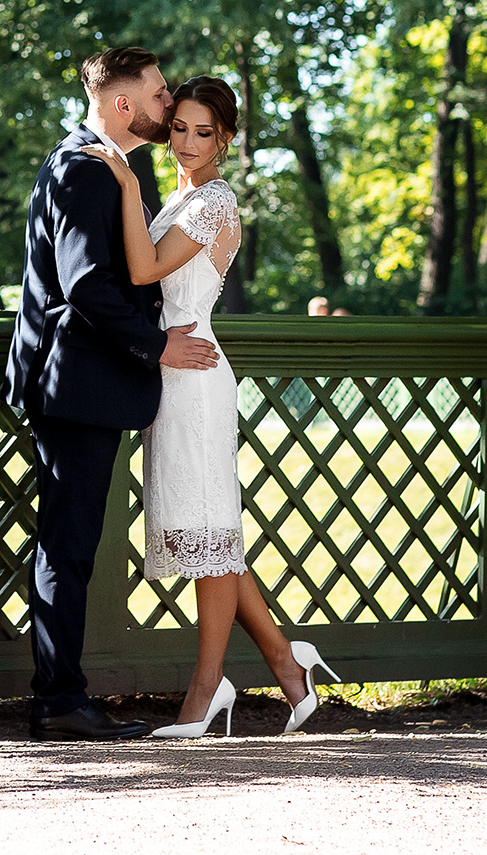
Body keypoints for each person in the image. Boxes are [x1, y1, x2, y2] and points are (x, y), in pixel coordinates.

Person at [82, 74, 343, 739]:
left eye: (204, 132)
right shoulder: (180, 198)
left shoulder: (214, 202)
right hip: (170, 374)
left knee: (211, 534)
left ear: (226, 139)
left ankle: (206, 692)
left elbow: (143, 273)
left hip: (196, 375)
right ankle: (287, 666)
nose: (188, 142)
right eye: (180, 128)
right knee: (209, 535)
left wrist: (126, 183)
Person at [6, 47, 220, 740]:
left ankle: (61, 693)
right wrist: (158, 345)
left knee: (71, 542)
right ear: (123, 104)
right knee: (68, 546)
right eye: (160, 96)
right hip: (75, 385)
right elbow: (87, 286)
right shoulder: (84, 169)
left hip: (87, 383)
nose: (169, 105)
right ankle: (59, 700)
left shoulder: (110, 168)